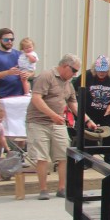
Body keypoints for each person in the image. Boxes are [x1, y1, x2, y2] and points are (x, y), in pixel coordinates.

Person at [25, 54, 84, 199]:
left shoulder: (68, 83)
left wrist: (87, 120)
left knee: (64, 155)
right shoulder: (46, 76)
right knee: (42, 156)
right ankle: (43, 189)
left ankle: (62, 188)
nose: (75, 74)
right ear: (65, 66)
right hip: (38, 122)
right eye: (74, 70)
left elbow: (73, 103)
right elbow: (36, 98)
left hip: (58, 122)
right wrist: (52, 115)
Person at [80, 55, 110, 145]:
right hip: (91, 114)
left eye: (104, 71)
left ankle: (109, 154)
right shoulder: (87, 75)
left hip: (109, 115)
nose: (101, 73)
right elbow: (75, 90)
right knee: (88, 140)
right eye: (99, 70)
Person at [0, 28, 25, 98]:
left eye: (12, 39)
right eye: (6, 39)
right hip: (2, 96)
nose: (9, 41)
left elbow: (31, 71)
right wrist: (8, 72)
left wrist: (28, 75)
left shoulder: (19, 54)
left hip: (20, 95)